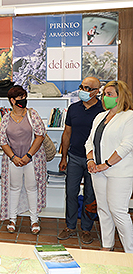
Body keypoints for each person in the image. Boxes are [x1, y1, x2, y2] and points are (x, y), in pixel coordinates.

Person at [85, 80, 133, 253]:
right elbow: (89, 142)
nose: (105, 98)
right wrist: (91, 161)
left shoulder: (129, 117)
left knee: (118, 212)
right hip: (97, 171)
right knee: (103, 210)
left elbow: (126, 146)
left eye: (110, 94)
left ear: (121, 97)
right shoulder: (100, 116)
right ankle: (107, 246)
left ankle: (130, 253)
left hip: (119, 172)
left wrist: (105, 164)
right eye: (104, 94)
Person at [57, 77, 103, 244]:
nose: (83, 90)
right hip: (74, 157)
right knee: (71, 193)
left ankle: (86, 229)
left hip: (94, 161)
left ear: (97, 91)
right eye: (81, 87)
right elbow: (67, 134)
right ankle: (70, 227)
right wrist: (64, 157)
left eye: (88, 88)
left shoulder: (103, 110)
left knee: (90, 195)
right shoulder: (73, 108)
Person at [0, 85, 46, 234]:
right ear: (12, 100)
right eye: (20, 98)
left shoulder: (32, 114)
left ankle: (34, 221)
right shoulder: (6, 118)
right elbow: (2, 140)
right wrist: (13, 157)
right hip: (13, 160)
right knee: (14, 188)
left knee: (32, 188)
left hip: (32, 159)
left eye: (24, 97)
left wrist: (28, 156)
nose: (23, 100)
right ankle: (12, 219)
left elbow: (40, 135)